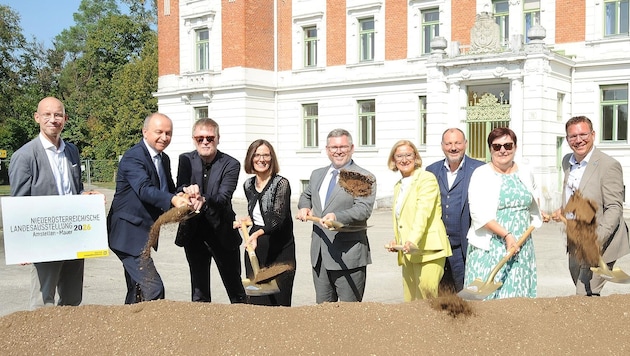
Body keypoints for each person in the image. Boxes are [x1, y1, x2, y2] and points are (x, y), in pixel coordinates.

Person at [9, 97, 100, 309]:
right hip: (44, 238)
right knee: (43, 302)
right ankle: (41, 342)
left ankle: (66, 341)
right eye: (47, 115)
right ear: (37, 118)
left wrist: (86, 198)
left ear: (65, 119)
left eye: (58, 115)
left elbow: (75, 190)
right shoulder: (24, 156)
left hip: (74, 237)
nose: (53, 119)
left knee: (72, 299)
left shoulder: (72, 152)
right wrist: (22, 245)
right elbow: (19, 203)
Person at [108, 113, 195, 304]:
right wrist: (173, 199)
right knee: (154, 288)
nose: (164, 137)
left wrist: (183, 194)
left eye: (168, 133)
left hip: (143, 234)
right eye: (159, 132)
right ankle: (151, 331)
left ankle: (131, 328)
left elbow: (167, 189)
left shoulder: (163, 159)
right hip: (128, 235)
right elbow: (144, 189)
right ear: (145, 132)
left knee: (137, 290)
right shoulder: (134, 157)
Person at [296, 128, 376, 303]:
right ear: (327, 150)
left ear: (352, 148)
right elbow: (306, 196)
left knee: (349, 316)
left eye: (343, 146)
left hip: (348, 256)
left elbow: (363, 209)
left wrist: (336, 216)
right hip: (320, 256)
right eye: (333, 147)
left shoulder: (363, 176)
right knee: (324, 315)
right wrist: (304, 207)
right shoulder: (317, 174)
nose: (338, 151)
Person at [552, 116, 629, 296]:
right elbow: (577, 194)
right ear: (567, 139)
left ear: (593, 134)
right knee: (580, 288)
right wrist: (564, 211)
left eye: (583, 134)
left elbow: (614, 208)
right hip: (575, 241)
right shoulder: (566, 162)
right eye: (573, 136)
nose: (578, 140)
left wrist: (596, 240)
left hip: (601, 242)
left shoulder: (608, 165)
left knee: (585, 294)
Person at [174, 118, 247, 303]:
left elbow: (223, 198)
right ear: (194, 139)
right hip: (194, 233)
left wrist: (203, 199)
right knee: (199, 292)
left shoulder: (231, 164)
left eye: (209, 138)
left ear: (218, 138)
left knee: (235, 288)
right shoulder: (185, 159)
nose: (205, 142)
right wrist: (186, 193)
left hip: (222, 233)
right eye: (200, 138)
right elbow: (179, 187)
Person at [465, 127, 543, 299]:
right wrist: (507, 235)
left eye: (508, 145)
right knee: (486, 304)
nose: (503, 150)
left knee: (516, 301)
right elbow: (478, 214)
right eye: (497, 146)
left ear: (515, 147)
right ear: (490, 149)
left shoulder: (525, 172)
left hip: (521, 245)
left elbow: (534, 197)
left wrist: (536, 212)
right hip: (490, 246)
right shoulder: (481, 174)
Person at [386, 140, 452, 301]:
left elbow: (423, 213)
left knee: (427, 302)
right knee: (410, 303)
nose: (404, 159)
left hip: (429, 250)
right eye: (399, 156)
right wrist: (399, 241)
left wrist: (412, 240)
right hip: (408, 251)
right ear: (393, 160)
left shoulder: (426, 179)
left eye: (408, 155)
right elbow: (402, 219)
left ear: (416, 157)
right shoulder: (398, 185)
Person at [237, 139, 296, 306]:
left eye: (265, 155)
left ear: (272, 158)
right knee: (256, 304)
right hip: (255, 252)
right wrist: (247, 221)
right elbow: (260, 215)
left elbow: (277, 218)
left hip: (280, 253)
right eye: (256, 155)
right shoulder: (248, 185)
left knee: (279, 306)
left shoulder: (280, 183)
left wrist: (256, 233)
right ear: (250, 158)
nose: (261, 159)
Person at [426, 128, 484, 293]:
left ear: (465, 144)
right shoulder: (431, 171)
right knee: (439, 296)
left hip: (464, 248)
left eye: (457, 143)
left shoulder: (479, 170)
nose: (453, 147)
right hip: (438, 248)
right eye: (449, 143)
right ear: (442, 146)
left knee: (467, 296)